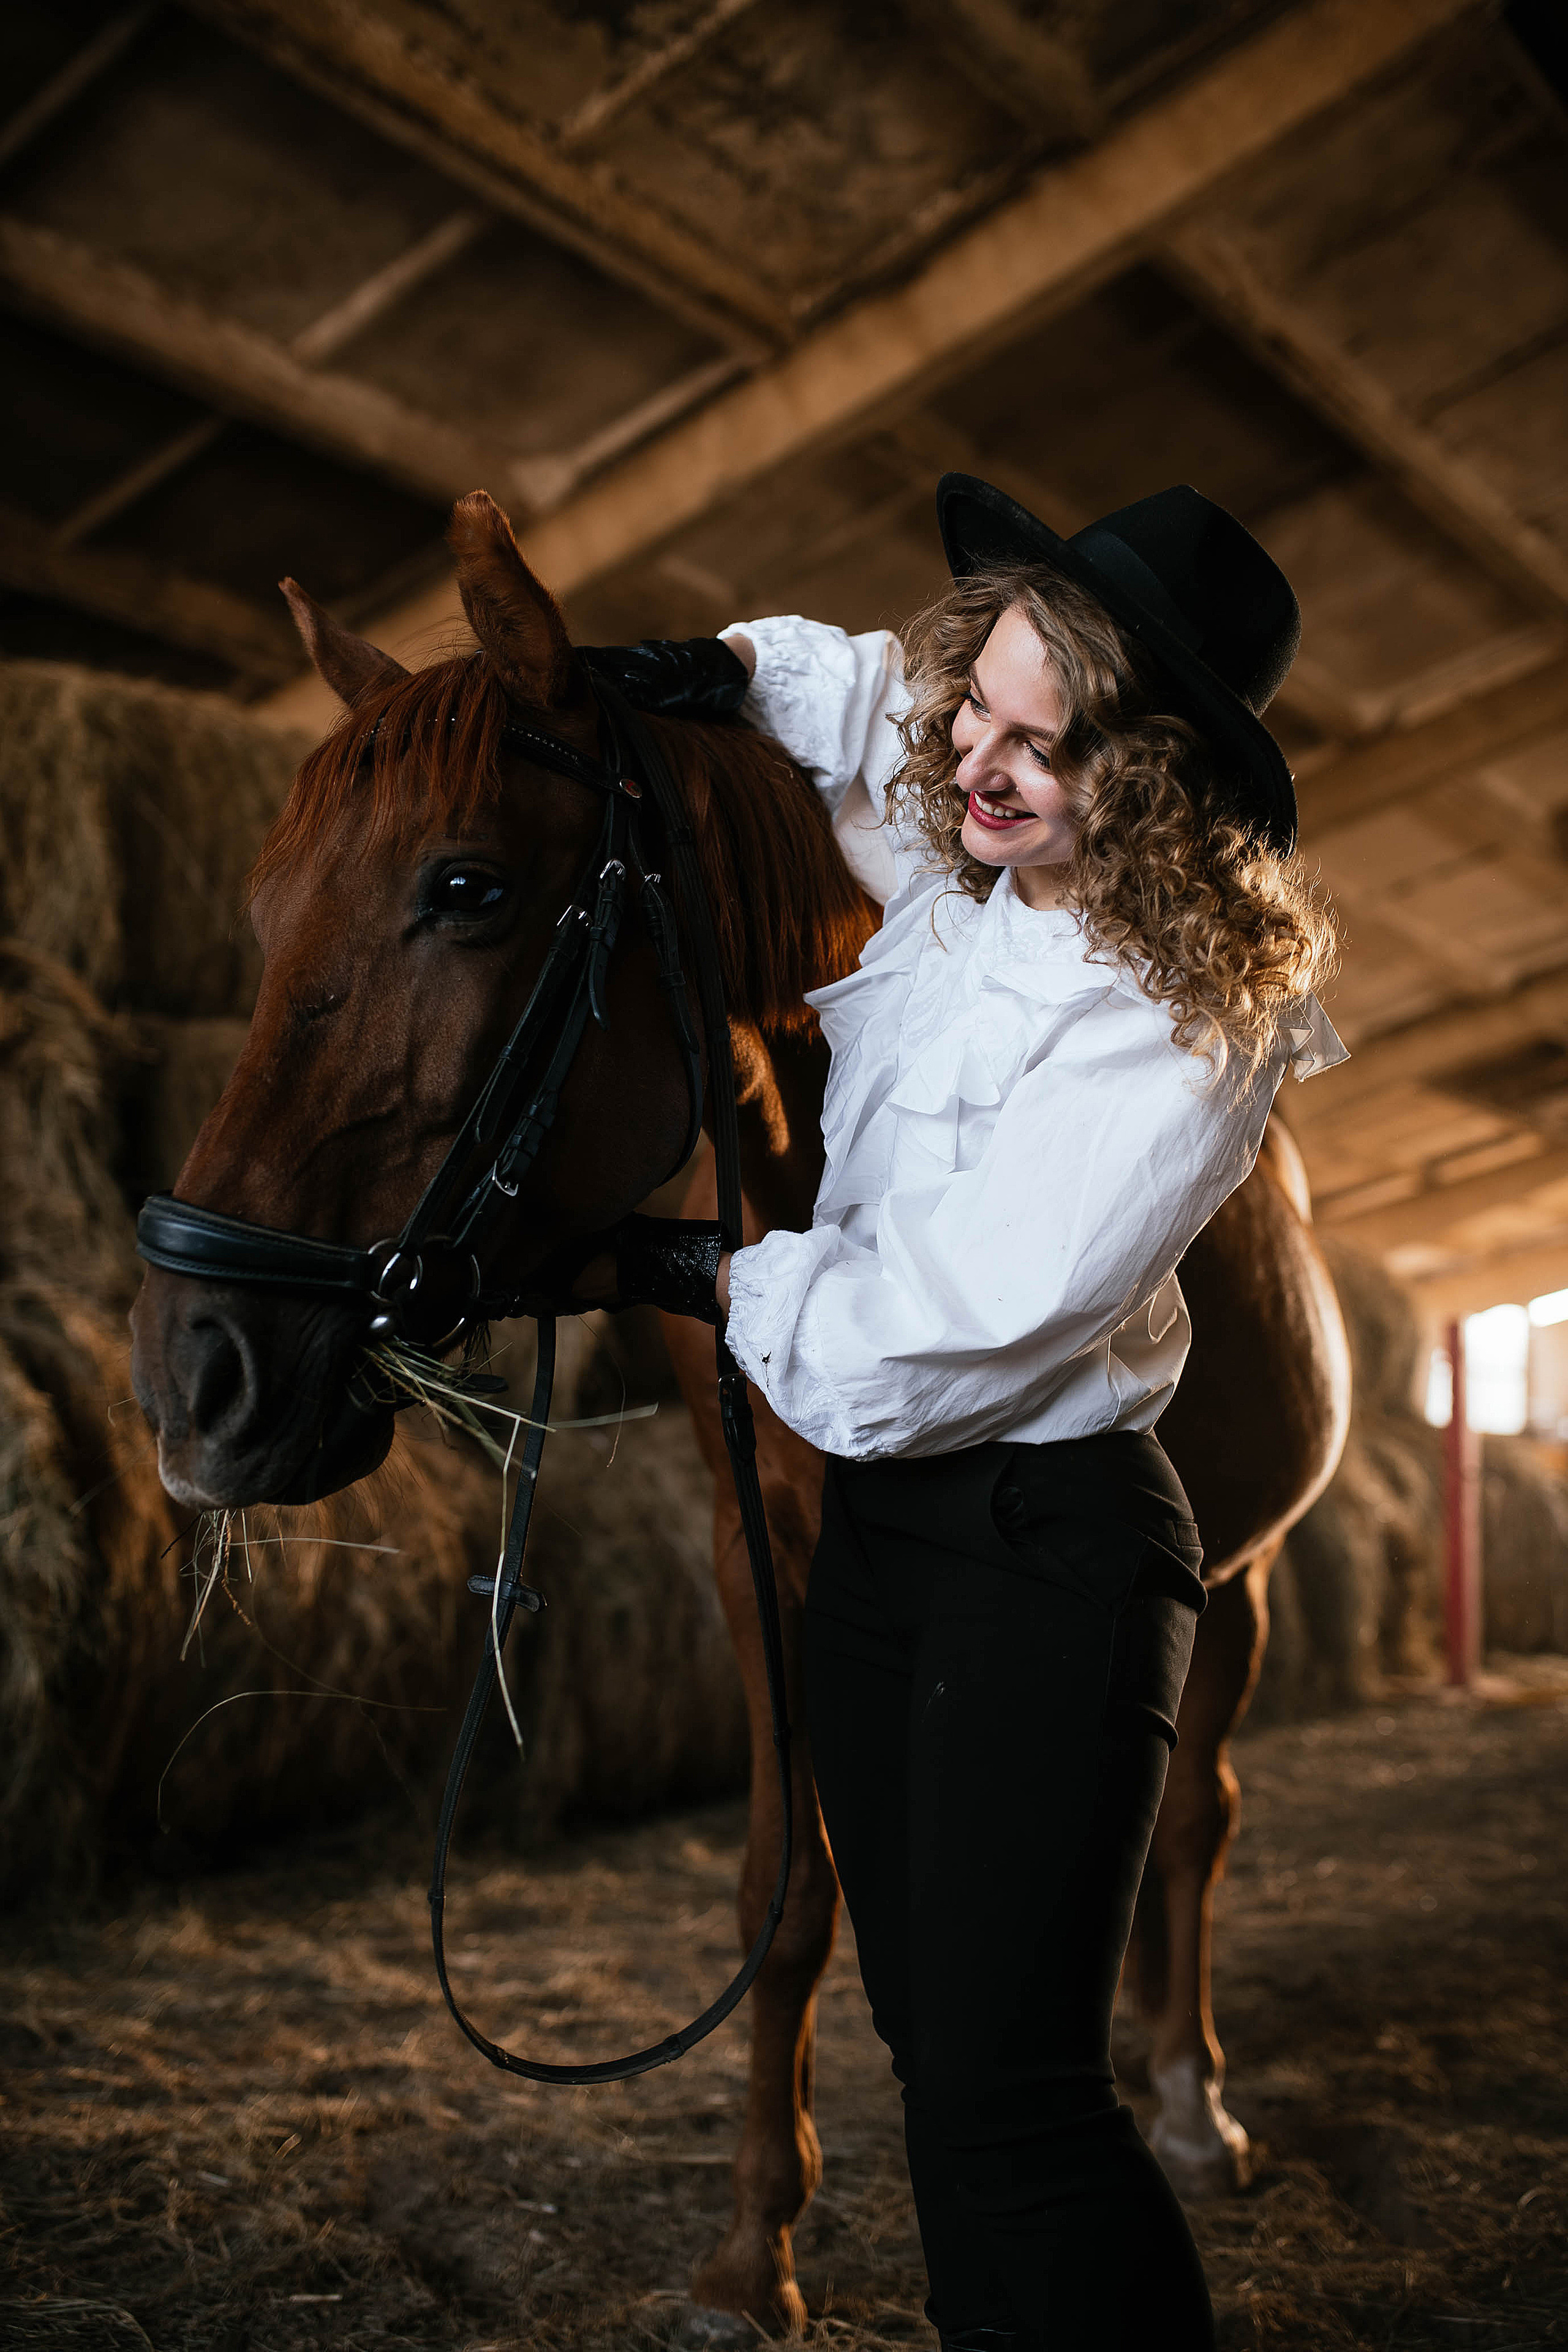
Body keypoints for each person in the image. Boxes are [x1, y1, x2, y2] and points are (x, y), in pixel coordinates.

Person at [586, 475, 1346, 2351]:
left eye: (1042, 744)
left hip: (1043, 1550)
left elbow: (948, 1328)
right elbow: (856, 708)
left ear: (1154, 779)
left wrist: (708, 1275)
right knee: (938, 2070)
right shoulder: (977, 884)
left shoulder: (1173, 1027)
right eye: (975, 714)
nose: (979, 770)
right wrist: (706, 665)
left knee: (1021, 2116)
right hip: (891, 1544)